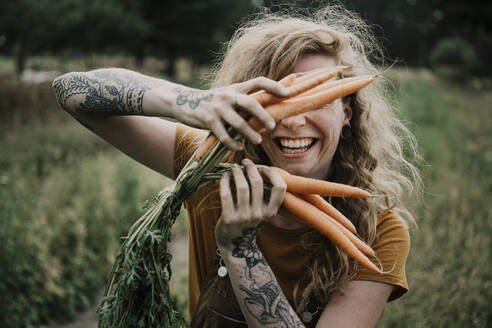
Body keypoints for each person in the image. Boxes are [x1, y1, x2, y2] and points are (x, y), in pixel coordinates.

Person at [52, 5, 420, 327]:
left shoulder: (378, 232)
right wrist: (189, 101)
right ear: (246, 105)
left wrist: (241, 250)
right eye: (278, 101)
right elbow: (70, 90)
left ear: (347, 115)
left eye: (317, 100)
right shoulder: (210, 166)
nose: (294, 121)